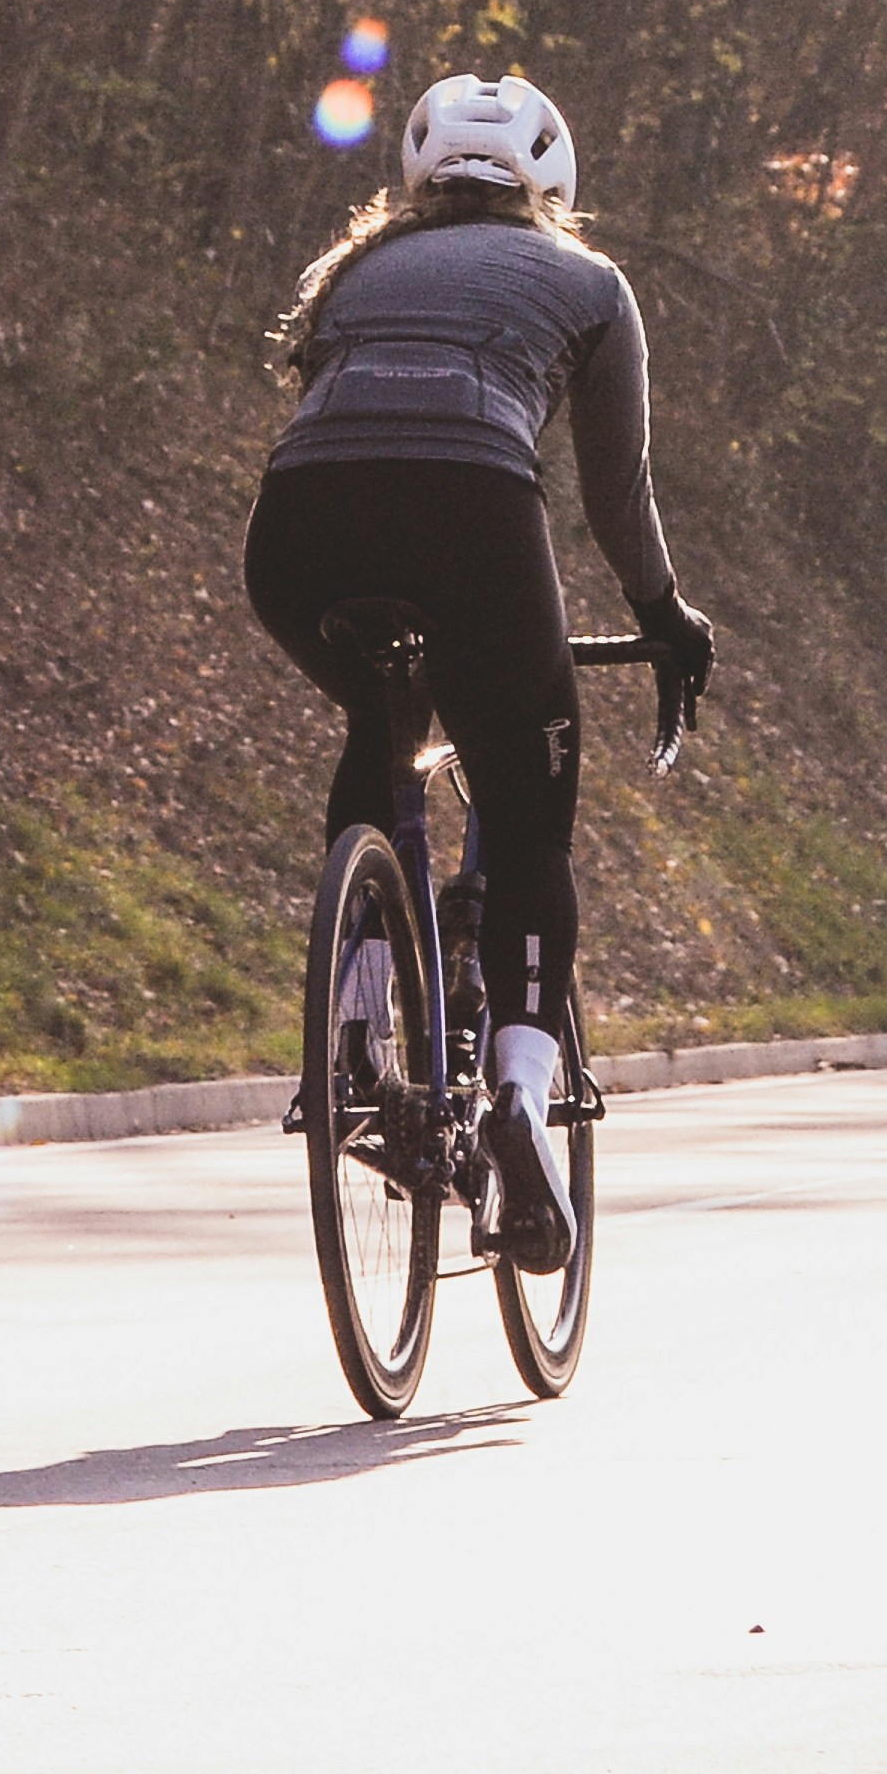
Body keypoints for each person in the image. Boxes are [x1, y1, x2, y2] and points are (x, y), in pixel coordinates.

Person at [245, 70, 711, 1272]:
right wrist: (667, 617)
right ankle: (515, 1092)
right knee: (526, 811)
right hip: (474, 518)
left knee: (379, 719)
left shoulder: (354, 271)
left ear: (419, 181)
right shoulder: (593, 285)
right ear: (551, 186)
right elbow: (617, 495)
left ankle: (355, 1035)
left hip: (300, 529)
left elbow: (352, 429)